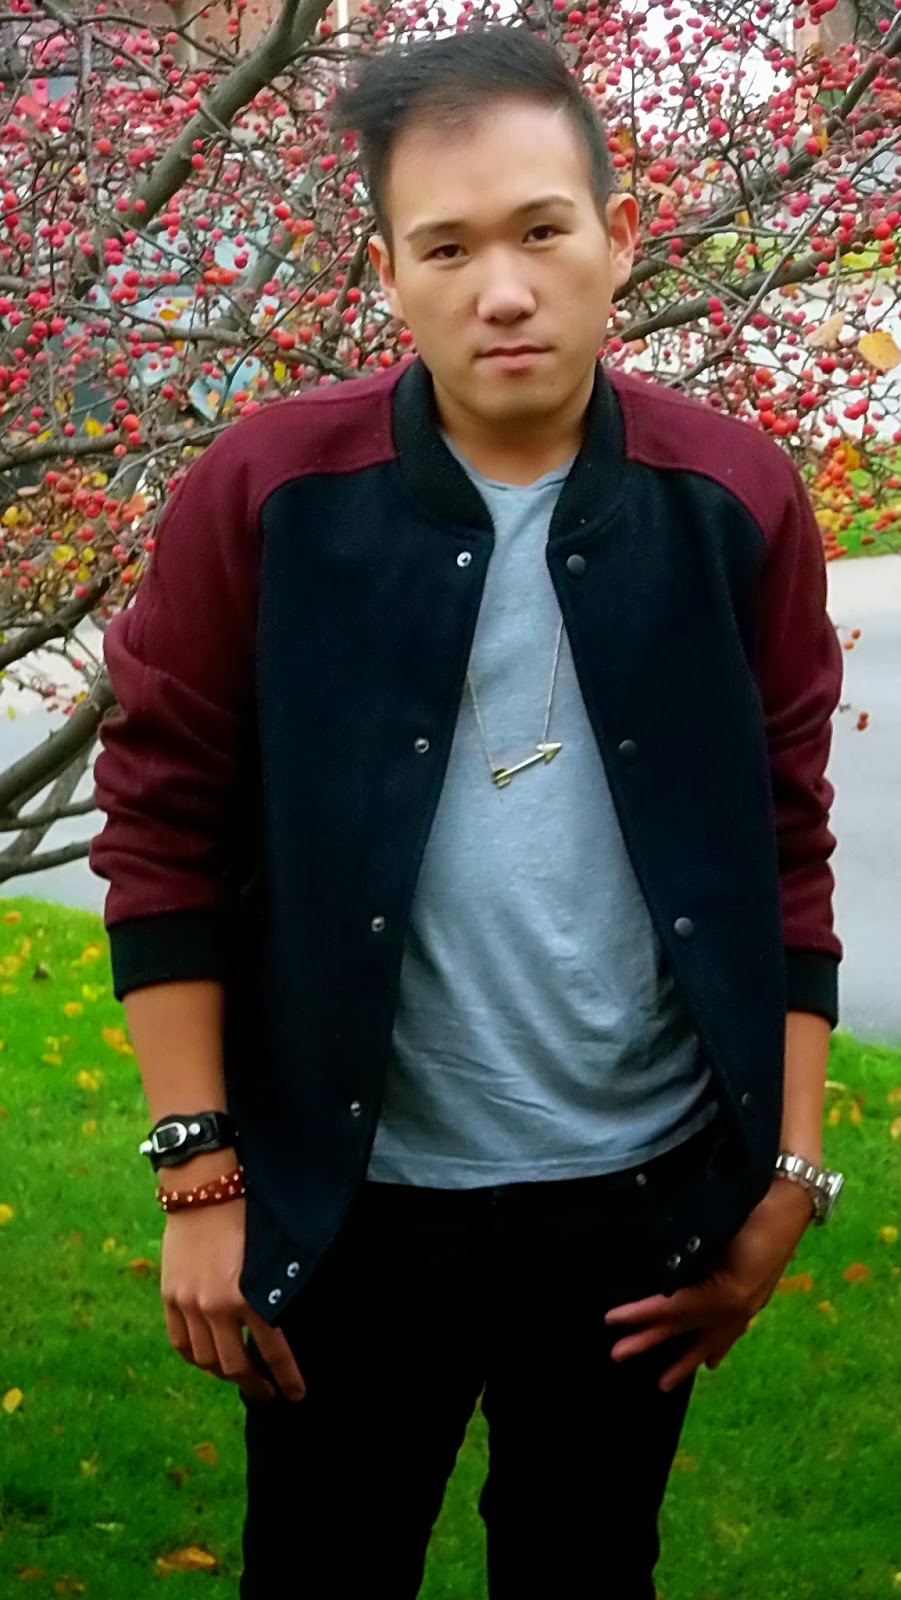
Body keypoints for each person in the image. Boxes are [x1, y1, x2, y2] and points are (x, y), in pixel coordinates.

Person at [89, 25, 846, 1600]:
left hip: (638, 1210)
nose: (501, 290)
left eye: (540, 231)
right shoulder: (268, 495)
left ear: (615, 238)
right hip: (354, 1206)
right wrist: (199, 1177)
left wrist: (785, 1181)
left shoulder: (734, 502)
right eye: (446, 247)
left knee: (586, 1570)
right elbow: (162, 825)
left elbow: (784, 851)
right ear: (386, 272)